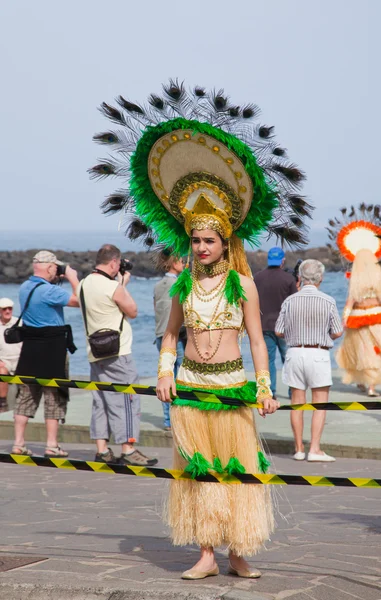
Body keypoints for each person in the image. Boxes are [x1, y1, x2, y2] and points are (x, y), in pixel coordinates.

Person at [91, 81, 311, 579]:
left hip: (233, 387)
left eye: (209, 239)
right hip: (191, 387)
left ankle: (239, 551)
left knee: (238, 472)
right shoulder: (183, 286)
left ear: (224, 238)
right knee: (196, 475)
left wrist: (264, 386)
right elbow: (169, 335)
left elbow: (259, 339)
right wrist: (165, 373)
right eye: (195, 239)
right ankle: (207, 555)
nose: (201, 246)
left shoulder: (243, 283)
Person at [77, 244, 158, 467]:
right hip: (118, 352)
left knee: (101, 400)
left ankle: (102, 450)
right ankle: (128, 448)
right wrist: (122, 284)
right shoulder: (112, 286)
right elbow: (132, 311)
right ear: (114, 263)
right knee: (128, 398)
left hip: (95, 351)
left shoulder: (84, 284)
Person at [13, 251, 79, 457]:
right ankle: (51, 444)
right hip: (53, 349)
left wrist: (55, 279)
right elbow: (78, 300)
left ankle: (18, 443)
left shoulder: (25, 288)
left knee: (26, 395)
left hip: (30, 348)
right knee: (54, 397)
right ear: (50, 267)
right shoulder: (51, 292)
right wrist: (71, 277)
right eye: (55, 268)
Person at [275, 259, 343, 462]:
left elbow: (278, 330)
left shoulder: (289, 301)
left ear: (300, 278)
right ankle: (314, 449)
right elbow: (338, 331)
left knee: (297, 402)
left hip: (295, 352)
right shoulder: (328, 300)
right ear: (320, 278)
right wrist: (325, 338)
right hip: (318, 353)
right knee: (319, 404)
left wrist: (294, 337)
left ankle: (298, 448)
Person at [326, 205, 381, 397]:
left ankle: (366, 382)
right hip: (375, 318)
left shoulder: (356, 280)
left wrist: (343, 320)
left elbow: (349, 302)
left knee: (362, 351)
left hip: (358, 319)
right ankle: (369, 384)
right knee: (373, 352)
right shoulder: (376, 277)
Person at [254, 247, 297, 399]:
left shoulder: (257, 277)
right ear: (282, 261)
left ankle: (270, 391)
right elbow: (294, 303)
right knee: (288, 359)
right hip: (284, 327)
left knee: (268, 360)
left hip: (263, 325)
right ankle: (293, 392)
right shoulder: (288, 279)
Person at [153, 252, 186, 431]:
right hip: (176, 336)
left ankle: (168, 420)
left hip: (159, 334)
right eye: (181, 260)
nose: (184, 263)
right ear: (174, 263)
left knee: (165, 378)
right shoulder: (179, 284)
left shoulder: (158, 285)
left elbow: (155, 307)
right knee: (181, 377)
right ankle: (181, 416)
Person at [0, 298, 22, 412]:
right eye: (4, 309)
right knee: (1, 371)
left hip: (20, 359)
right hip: (4, 360)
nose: (8, 311)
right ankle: (3, 402)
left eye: (10, 309)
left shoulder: (19, 323)